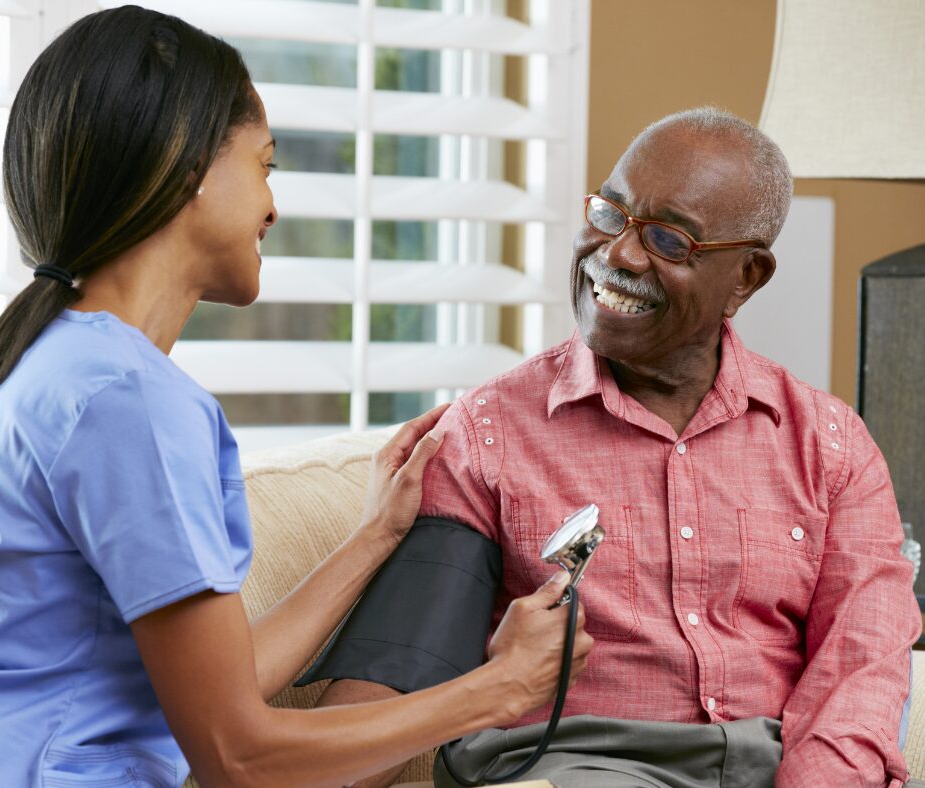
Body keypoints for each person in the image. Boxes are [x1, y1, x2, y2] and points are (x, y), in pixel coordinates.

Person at [0, 7, 594, 787]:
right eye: (265, 164)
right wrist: (498, 689)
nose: (274, 207)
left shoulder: (57, 366)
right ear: (186, 164)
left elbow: (224, 687)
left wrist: (373, 536)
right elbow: (239, 756)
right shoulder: (127, 401)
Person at [316, 108, 923, 787]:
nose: (620, 255)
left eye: (668, 240)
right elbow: (382, 697)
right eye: (609, 213)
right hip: (577, 769)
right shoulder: (484, 437)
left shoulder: (831, 448)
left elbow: (860, 670)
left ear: (747, 277)